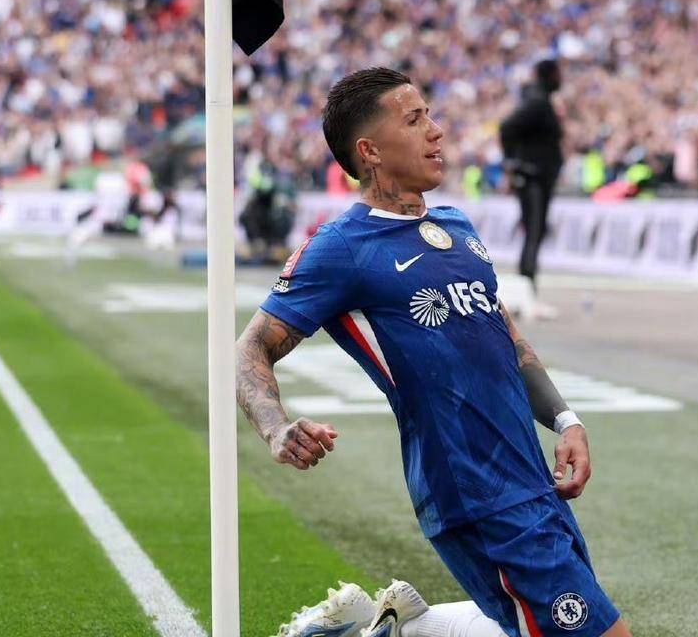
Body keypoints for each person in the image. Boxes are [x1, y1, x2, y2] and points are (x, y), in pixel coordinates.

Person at [236, 68, 630, 637]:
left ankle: (403, 627)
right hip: (474, 493)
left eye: (430, 115)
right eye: (414, 120)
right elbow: (250, 347)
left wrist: (565, 419)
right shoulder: (343, 247)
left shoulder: (457, 224)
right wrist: (276, 428)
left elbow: (507, 340)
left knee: (530, 625)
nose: (436, 131)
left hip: (532, 481)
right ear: (370, 151)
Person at [499, 58, 564, 318]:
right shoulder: (537, 102)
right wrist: (512, 163)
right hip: (533, 177)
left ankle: (527, 290)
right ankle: (527, 292)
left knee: (535, 233)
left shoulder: (539, 100)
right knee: (533, 231)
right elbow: (507, 127)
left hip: (537, 176)